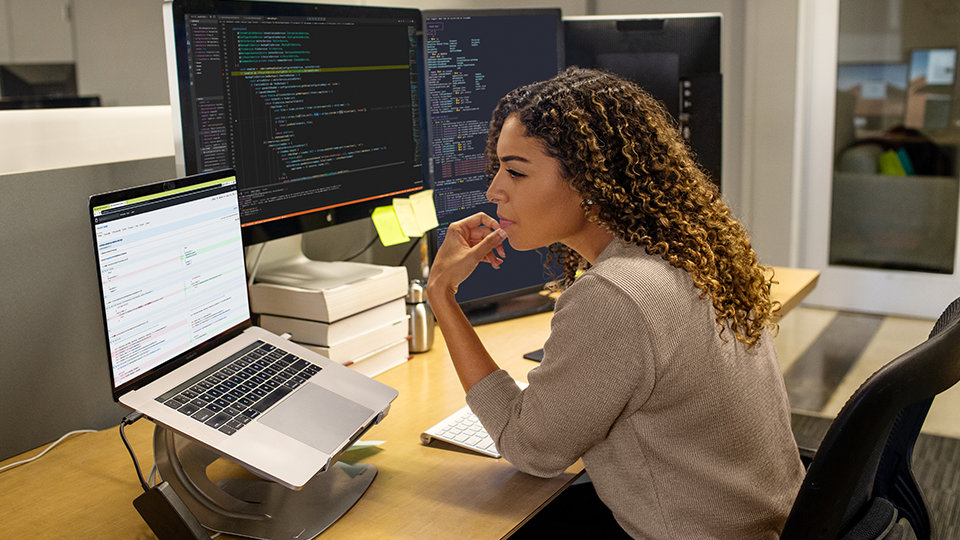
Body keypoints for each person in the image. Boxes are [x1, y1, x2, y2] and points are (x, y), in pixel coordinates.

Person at [426, 67, 804, 538]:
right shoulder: (686, 251)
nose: (493, 190)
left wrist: (442, 294)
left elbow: (529, 449)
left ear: (589, 181)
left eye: (517, 172)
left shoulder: (617, 296)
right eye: (498, 167)